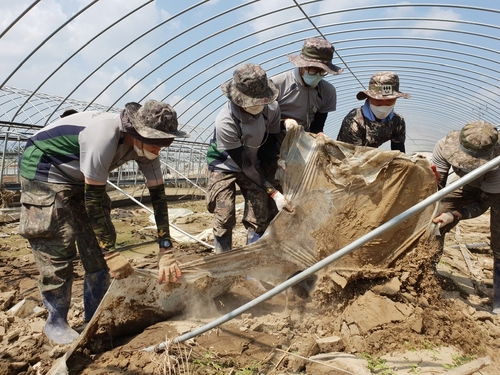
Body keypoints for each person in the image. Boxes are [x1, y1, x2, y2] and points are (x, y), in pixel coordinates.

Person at [18, 99, 189, 345]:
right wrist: (112, 254)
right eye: (156, 143)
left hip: (80, 176)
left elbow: (159, 197)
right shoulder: (103, 136)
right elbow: (93, 203)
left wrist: (165, 247)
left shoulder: (147, 147)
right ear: (136, 132)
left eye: (165, 143)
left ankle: (95, 314)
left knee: (98, 243)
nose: (159, 150)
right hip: (46, 170)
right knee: (57, 242)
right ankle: (56, 321)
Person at [206, 63, 293, 254]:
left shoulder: (271, 109)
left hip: (252, 163)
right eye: (251, 101)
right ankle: (224, 261)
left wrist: (277, 159)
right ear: (239, 99)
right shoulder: (226, 121)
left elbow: (269, 141)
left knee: (259, 213)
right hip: (224, 164)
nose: (257, 105)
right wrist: (274, 193)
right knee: (225, 212)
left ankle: (254, 261)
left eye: (260, 100)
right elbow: (244, 164)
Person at [431, 120, 500, 314]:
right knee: (435, 217)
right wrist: (439, 211)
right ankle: (426, 271)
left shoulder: (497, 165)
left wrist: (455, 215)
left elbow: (483, 204)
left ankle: (499, 300)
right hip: (469, 184)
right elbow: (437, 189)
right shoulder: (443, 146)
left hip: (497, 190)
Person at [337, 71, 410, 152]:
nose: (384, 104)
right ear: (369, 97)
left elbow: (399, 153)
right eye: (378, 100)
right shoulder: (355, 120)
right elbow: (352, 158)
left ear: (396, 98)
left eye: (389, 100)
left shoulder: (397, 122)